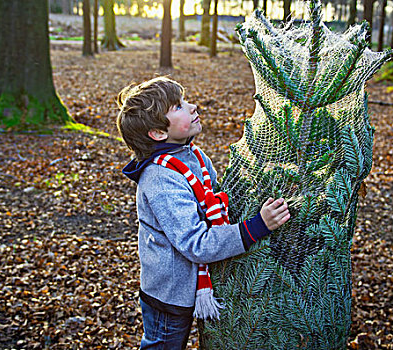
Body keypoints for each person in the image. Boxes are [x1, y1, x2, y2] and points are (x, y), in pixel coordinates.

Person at [116, 77, 290, 349]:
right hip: (170, 295)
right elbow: (196, 243)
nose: (193, 106)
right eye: (178, 106)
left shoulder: (193, 155)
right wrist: (257, 226)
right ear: (159, 133)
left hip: (192, 285)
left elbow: (215, 201)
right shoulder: (160, 178)